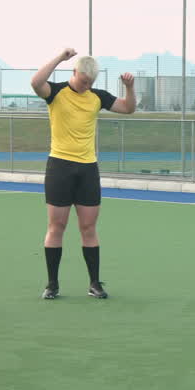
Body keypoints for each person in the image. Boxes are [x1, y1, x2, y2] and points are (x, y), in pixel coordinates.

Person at [30, 49, 135, 300]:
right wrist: (59, 58)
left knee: (88, 227)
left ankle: (94, 284)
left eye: (91, 82)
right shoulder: (56, 92)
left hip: (87, 169)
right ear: (74, 72)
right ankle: (52, 284)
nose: (87, 86)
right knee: (57, 226)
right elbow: (36, 82)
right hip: (60, 167)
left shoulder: (97, 97)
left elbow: (128, 108)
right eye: (83, 81)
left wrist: (129, 88)